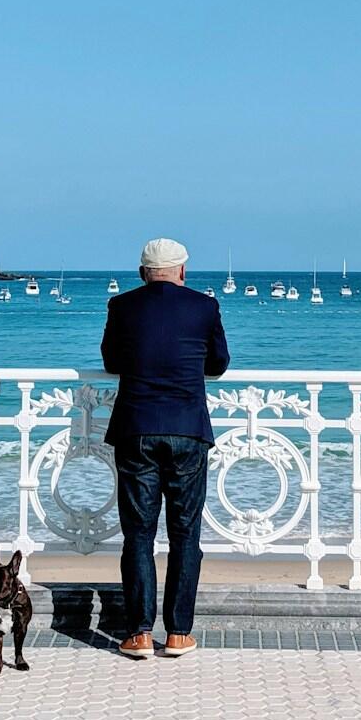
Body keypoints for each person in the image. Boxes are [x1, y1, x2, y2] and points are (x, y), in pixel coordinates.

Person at [100, 236, 230, 660]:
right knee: (185, 532)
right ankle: (177, 633)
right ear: (182, 272)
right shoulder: (204, 307)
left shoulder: (122, 307)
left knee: (138, 533)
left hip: (136, 428)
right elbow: (218, 363)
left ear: (142, 273)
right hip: (188, 430)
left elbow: (111, 362)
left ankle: (137, 633)